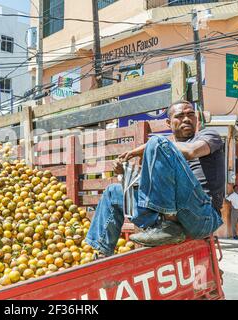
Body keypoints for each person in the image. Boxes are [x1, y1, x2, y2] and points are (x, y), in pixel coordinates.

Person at [86, 100, 224, 256]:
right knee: (113, 193)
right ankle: (100, 253)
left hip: (202, 216)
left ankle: (169, 225)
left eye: (190, 114)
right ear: (168, 123)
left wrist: (142, 149)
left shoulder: (209, 136)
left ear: (196, 118)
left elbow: (191, 151)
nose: (186, 119)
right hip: (170, 216)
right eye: (180, 116)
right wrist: (125, 169)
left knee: (157, 142)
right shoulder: (163, 152)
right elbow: (149, 190)